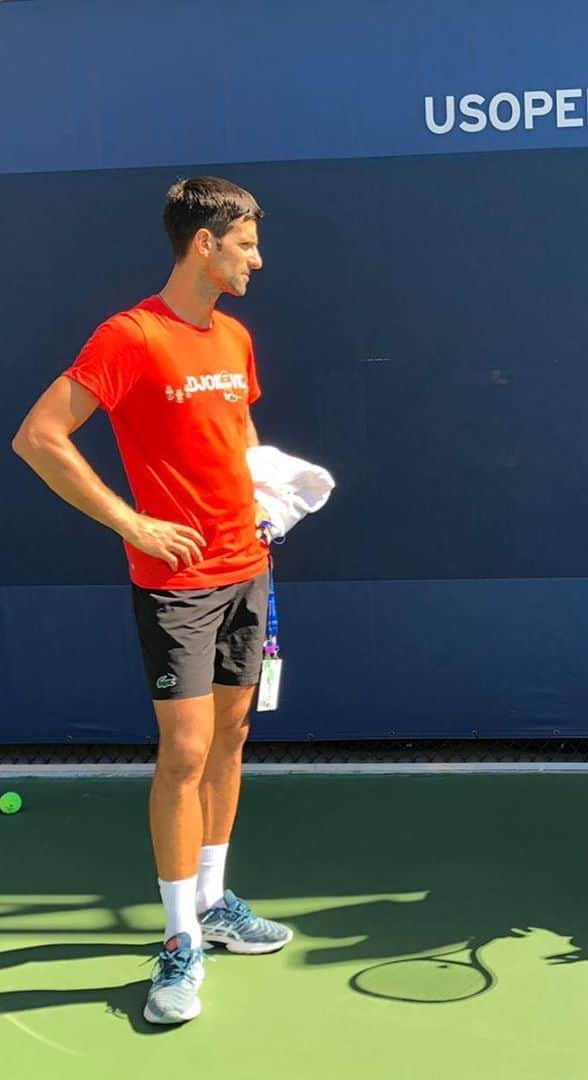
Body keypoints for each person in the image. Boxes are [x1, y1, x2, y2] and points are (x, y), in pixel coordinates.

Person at [11, 177, 292, 1025]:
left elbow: (237, 431)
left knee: (232, 740)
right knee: (184, 753)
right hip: (177, 589)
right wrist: (132, 522)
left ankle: (213, 901)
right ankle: (178, 941)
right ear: (203, 244)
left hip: (249, 569)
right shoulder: (130, 336)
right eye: (243, 243)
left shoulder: (235, 337)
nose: (256, 257)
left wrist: (269, 490)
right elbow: (38, 437)